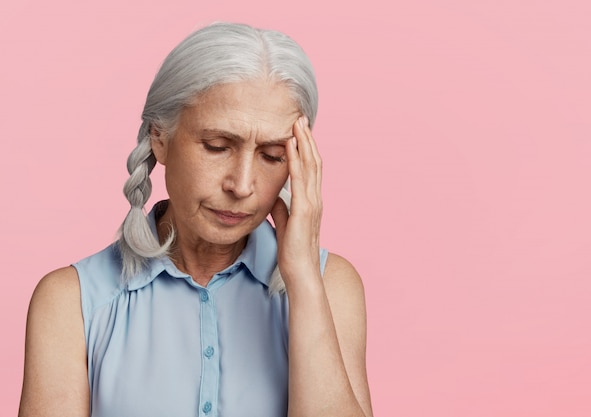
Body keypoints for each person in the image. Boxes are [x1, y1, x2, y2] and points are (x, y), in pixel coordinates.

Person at [18, 22, 373, 417]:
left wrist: (304, 281)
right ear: (159, 137)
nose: (242, 185)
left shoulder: (331, 288)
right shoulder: (72, 302)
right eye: (217, 147)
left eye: (272, 156)